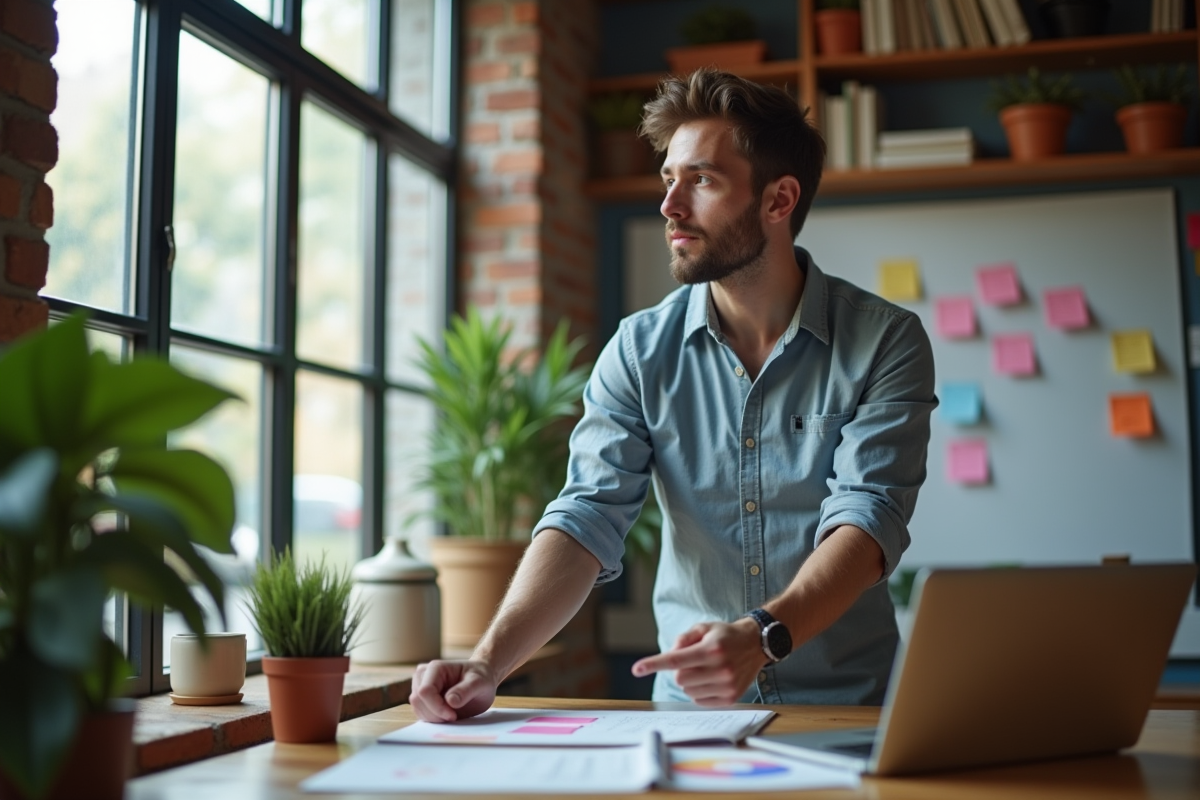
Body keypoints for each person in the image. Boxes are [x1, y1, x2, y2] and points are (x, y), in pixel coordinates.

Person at [409, 68, 936, 722]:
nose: (669, 206)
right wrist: (487, 663)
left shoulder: (886, 341)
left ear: (778, 200)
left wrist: (761, 636)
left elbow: (868, 517)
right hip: (693, 718)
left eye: (702, 180)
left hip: (849, 709)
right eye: (668, 179)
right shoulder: (637, 351)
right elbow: (587, 516)